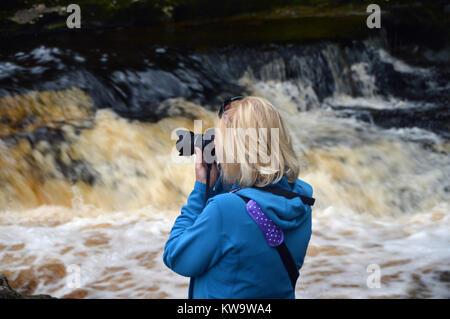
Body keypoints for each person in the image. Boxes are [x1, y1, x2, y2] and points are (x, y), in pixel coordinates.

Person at [163, 96, 313, 299]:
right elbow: (246, 229)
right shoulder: (300, 199)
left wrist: (202, 188)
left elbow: (177, 257)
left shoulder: (225, 209)